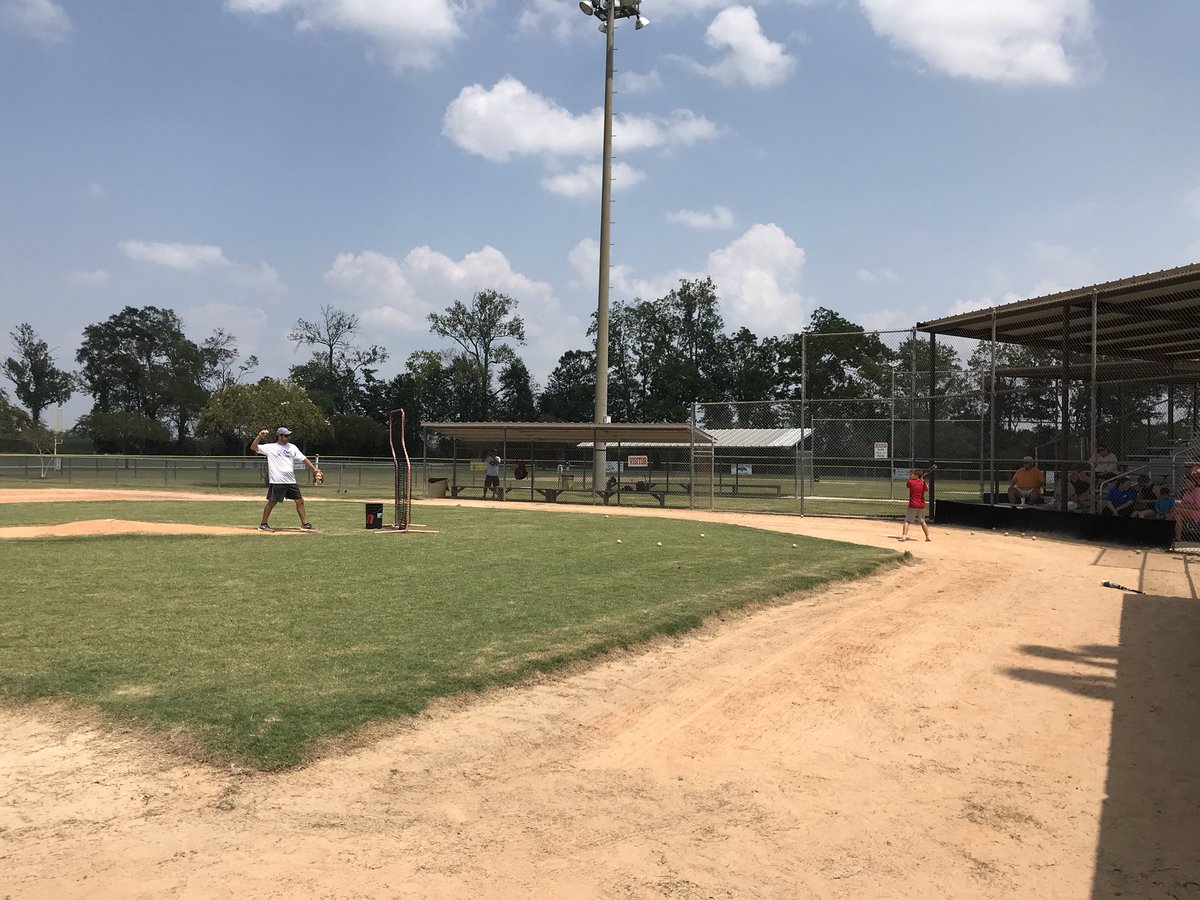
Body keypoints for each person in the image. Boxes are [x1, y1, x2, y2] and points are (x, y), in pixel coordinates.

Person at [252, 426, 320, 531]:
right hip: (277, 480)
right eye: (285, 435)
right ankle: (263, 524)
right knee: (272, 502)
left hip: (290, 480)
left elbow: (303, 459)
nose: (287, 437)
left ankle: (305, 524)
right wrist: (259, 437)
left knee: (300, 501)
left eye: (288, 435)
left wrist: (314, 469)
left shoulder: (292, 447)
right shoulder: (271, 447)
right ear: (279, 436)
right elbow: (253, 447)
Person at [900, 468, 931, 542]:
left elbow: (907, 485)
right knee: (922, 521)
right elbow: (927, 489)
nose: (910, 475)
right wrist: (922, 480)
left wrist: (920, 479)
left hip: (912, 505)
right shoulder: (922, 483)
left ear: (917, 475)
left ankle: (904, 536)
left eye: (912, 474)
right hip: (921, 505)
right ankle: (928, 536)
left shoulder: (910, 482)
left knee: (907, 521)